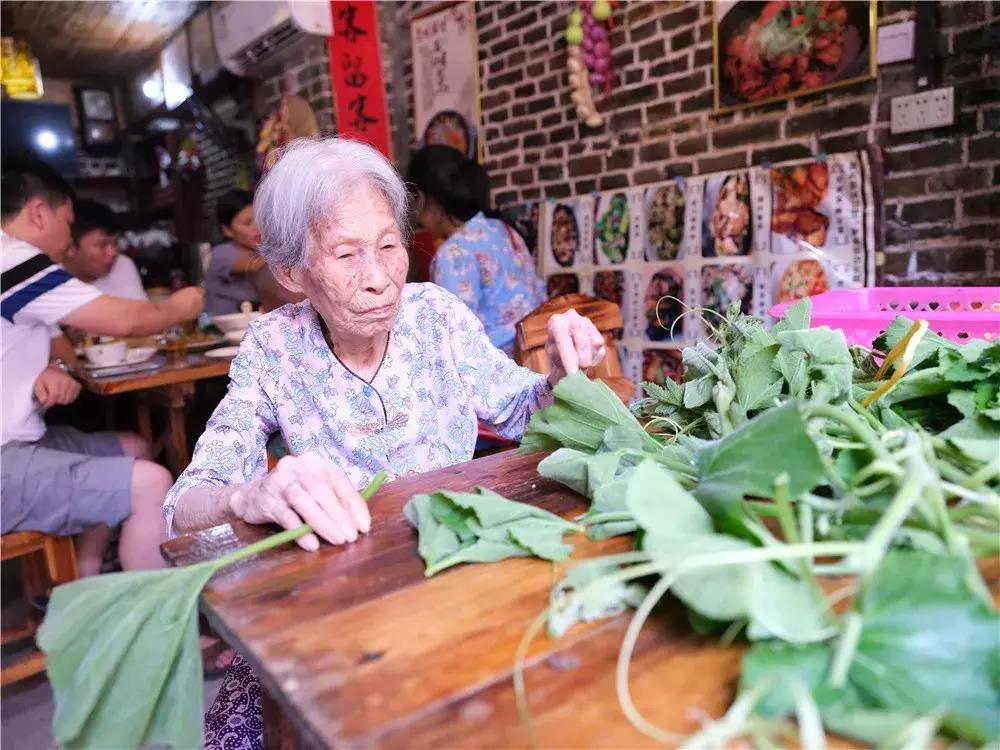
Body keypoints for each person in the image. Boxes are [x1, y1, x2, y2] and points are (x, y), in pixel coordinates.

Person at [164, 138, 605, 749]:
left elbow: (521, 407)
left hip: (466, 572)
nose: (378, 280)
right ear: (293, 272)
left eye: (390, 246)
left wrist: (561, 376)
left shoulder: (437, 317)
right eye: (345, 254)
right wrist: (253, 493)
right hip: (347, 607)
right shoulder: (275, 348)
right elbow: (186, 506)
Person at [1, 153, 204, 575]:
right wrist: (181, 305)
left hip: (22, 441)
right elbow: (130, 319)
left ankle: (85, 582)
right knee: (151, 485)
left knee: (136, 447)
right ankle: (152, 630)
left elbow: (47, 343)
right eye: (68, 221)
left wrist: (52, 368)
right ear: (39, 213)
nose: (69, 237)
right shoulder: (15, 259)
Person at [407, 145, 546, 355]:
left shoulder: (453, 254)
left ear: (422, 198)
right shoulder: (504, 229)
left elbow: (455, 341)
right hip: (539, 358)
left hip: (501, 374)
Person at [61, 199, 146, 300]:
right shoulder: (48, 277)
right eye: (102, 245)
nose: (113, 252)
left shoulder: (122, 264)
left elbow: (139, 311)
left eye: (116, 242)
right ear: (70, 247)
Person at [204, 189, 265, 315]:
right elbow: (254, 265)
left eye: (259, 219)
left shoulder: (263, 252)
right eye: (247, 223)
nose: (256, 227)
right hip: (219, 328)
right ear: (227, 230)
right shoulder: (221, 253)